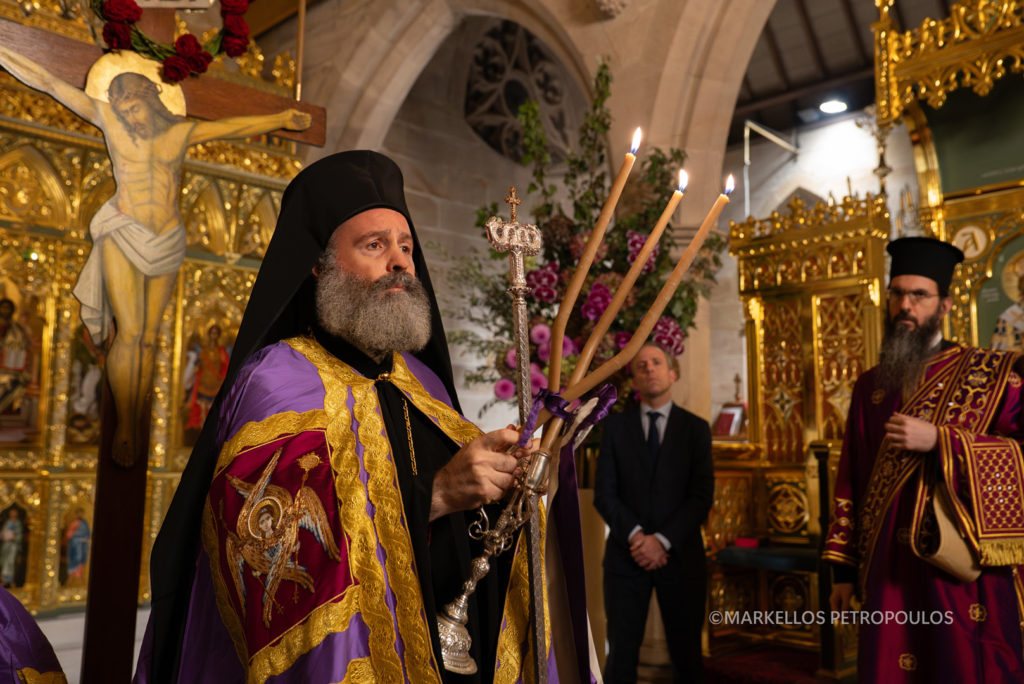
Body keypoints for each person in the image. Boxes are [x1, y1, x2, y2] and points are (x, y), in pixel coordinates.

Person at [136, 151, 589, 683]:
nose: (398, 262)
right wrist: (436, 495)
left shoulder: (425, 382)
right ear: (320, 265)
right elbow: (268, 551)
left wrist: (510, 481)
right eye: (374, 246)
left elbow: (471, 533)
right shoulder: (276, 381)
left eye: (405, 247)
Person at [0, 45, 312, 464]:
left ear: (148, 94)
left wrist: (281, 119)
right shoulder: (110, 122)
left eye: (129, 102)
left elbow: (232, 128)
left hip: (168, 239)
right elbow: (50, 82)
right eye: (118, 105)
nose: (125, 112)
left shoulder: (178, 133)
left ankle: (140, 418)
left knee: (149, 337)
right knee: (128, 333)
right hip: (123, 229)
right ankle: (126, 423)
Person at [824, 236, 1024, 681]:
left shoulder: (995, 376)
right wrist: (840, 570)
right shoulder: (870, 386)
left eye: (919, 295)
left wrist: (942, 441)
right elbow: (850, 479)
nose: (905, 306)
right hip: (886, 570)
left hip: (957, 568)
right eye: (897, 294)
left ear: (946, 304)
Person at [594, 342, 714, 682]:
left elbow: (701, 495)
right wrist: (637, 537)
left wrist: (661, 541)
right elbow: (604, 494)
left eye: (657, 362)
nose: (649, 368)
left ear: (672, 373)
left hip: (681, 556)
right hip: (624, 557)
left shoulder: (695, 429)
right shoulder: (615, 428)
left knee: (687, 657)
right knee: (620, 656)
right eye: (642, 365)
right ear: (633, 380)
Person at [184, 323, 230, 431]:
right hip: (203, 383)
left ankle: (212, 430)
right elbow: (197, 365)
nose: (213, 336)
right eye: (212, 333)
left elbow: (226, 366)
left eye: (216, 333)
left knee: (214, 409)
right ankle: (202, 430)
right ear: (209, 334)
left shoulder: (221, 351)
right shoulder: (204, 350)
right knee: (202, 408)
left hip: (216, 384)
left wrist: (223, 378)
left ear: (218, 335)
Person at [0, 509, 23, 588]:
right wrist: (3, 536)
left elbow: (19, 535)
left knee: (11, 562)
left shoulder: (17, 523)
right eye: (11, 512)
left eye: (14, 512)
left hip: (13, 546)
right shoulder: (7, 522)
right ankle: (4, 580)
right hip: (6, 545)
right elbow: (3, 532)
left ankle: (11, 580)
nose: (13, 513)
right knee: (4, 562)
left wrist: (13, 538)